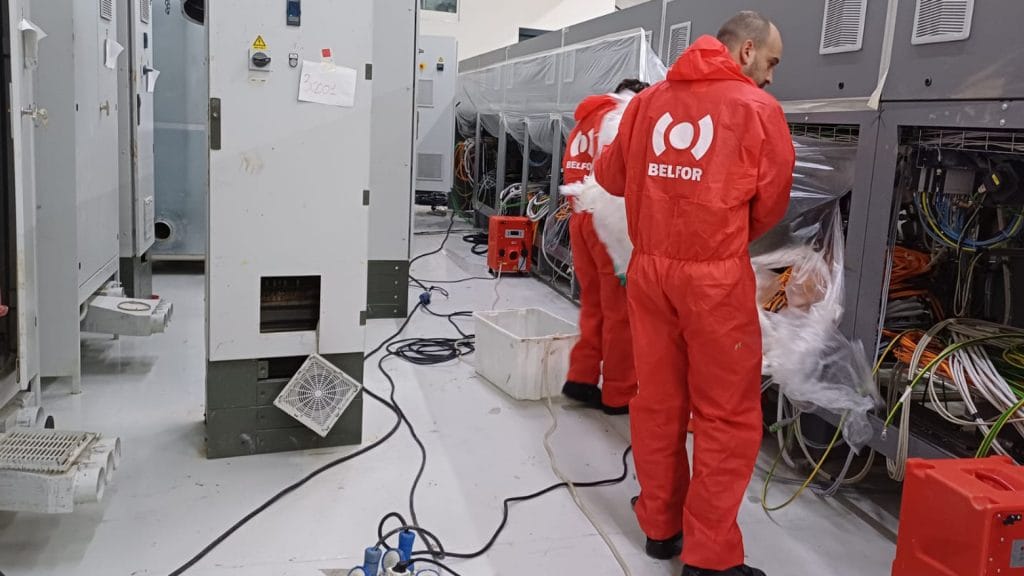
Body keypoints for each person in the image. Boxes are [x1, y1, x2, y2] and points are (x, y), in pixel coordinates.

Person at [593, 11, 795, 576]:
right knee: (725, 415)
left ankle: (661, 529)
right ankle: (708, 558)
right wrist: (719, 237)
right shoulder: (758, 110)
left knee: (657, 403)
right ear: (747, 50)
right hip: (713, 277)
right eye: (772, 62)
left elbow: (609, 178)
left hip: (650, 272)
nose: (773, 76)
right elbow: (772, 204)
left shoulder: (647, 103)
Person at [561, 79, 650, 415]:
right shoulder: (623, 114)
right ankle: (619, 393)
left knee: (593, 306)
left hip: (580, 217)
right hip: (606, 223)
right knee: (620, 313)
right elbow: (621, 179)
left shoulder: (584, 120)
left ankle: (580, 378)